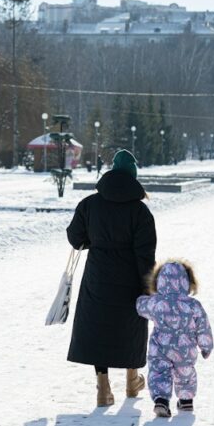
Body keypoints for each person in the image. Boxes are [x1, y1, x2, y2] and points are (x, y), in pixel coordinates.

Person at [66, 149, 157, 407]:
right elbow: (145, 254)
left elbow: (75, 238)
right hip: (129, 280)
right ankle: (131, 381)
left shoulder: (89, 204)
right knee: (130, 328)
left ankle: (103, 389)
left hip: (97, 277)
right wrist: (147, 286)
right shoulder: (140, 212)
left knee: (99, 329)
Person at [136, 260, 214, 418]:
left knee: (159, 372)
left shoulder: (157, 302)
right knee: (185, 373)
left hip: (160, 348)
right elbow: (203, 327)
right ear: (187, 282)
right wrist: (206, 347)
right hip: (185, 349)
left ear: (159, 282)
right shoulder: (193, 305)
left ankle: (161, 400)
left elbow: (141, 306)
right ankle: (186, 401)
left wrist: (139, 300)